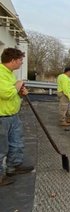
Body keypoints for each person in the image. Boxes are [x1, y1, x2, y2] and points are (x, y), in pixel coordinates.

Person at [0, 47, 34, 186]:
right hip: (2, 117)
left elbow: (12, 92)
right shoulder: (1, 73)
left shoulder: (10, 73)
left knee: (16, 143)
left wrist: (20, 92)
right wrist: (18, 84)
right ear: (13, 60)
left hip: (13, 115)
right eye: (20, 60)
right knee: (1, 148)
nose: (21, 63)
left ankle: (13, 166)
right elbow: (5, 93)